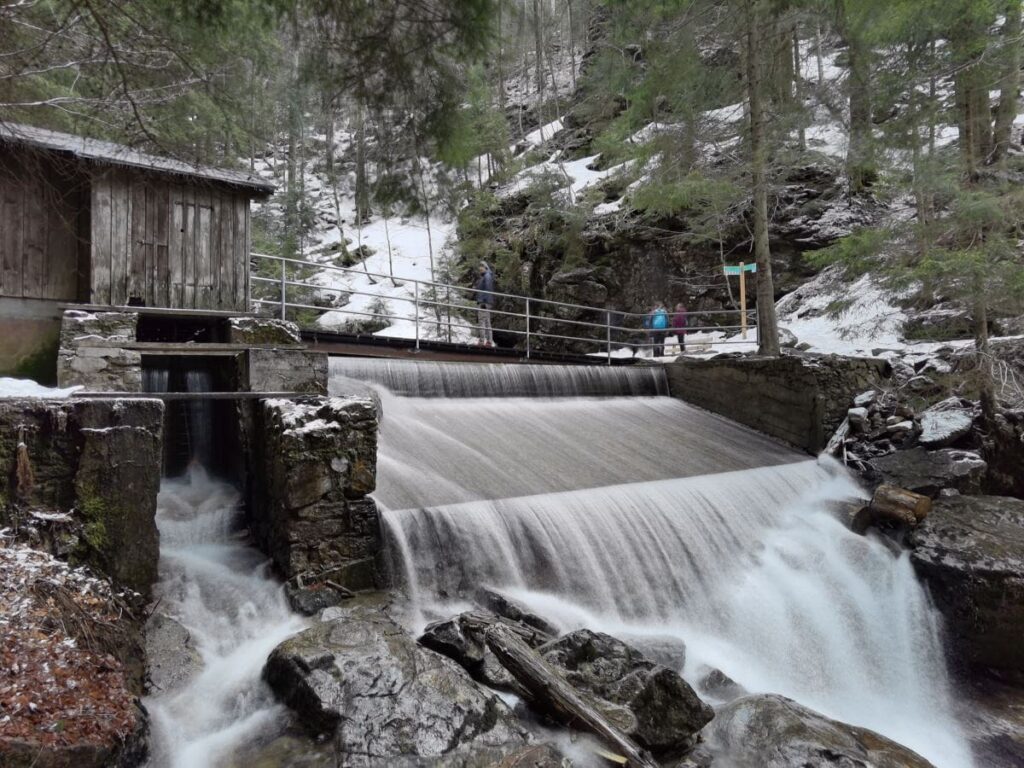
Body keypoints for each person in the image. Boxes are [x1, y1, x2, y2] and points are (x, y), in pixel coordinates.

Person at [472, 261, 495, 346]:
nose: (480, 268)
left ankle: (482, 341)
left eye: (482, 267)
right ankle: (489, 341)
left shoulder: (487, 276)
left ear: (486, 267)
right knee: (487, 321)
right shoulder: (486, 276)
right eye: (479, 267)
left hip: (484, 302)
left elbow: (488, 289)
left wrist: (484, 302)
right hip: (485, 301)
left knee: (482, 321)